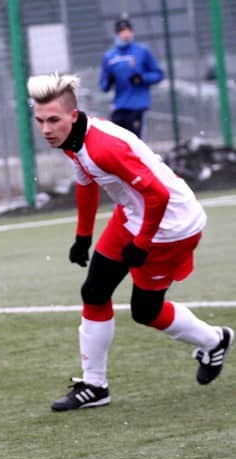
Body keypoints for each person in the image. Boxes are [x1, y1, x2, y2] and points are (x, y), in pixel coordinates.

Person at [26, 72, 232, 412]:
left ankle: (215, 340)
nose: (46, 129)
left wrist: (143, 242)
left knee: (145, 311)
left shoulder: (104, 147)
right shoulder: (72, 138)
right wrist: (82, 237)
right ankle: (95, 386)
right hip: (134, 214)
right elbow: (86, 183)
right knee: (94, 292)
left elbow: (158, 195)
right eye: (40, 120)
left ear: (73, 116)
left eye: (53, 120)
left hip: (170, 226)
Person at [99, 18, 164, 138]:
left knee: (135, 141)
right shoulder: (109, 57)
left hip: (138, 106)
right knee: (116, 140)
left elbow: (158, 74)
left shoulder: (142, 51)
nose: (125, 34)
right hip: (119, 106)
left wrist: (142, 78)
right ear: (116, 34)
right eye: (122, 31)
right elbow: (103, 86)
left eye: (128, 30)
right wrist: (109, 80)